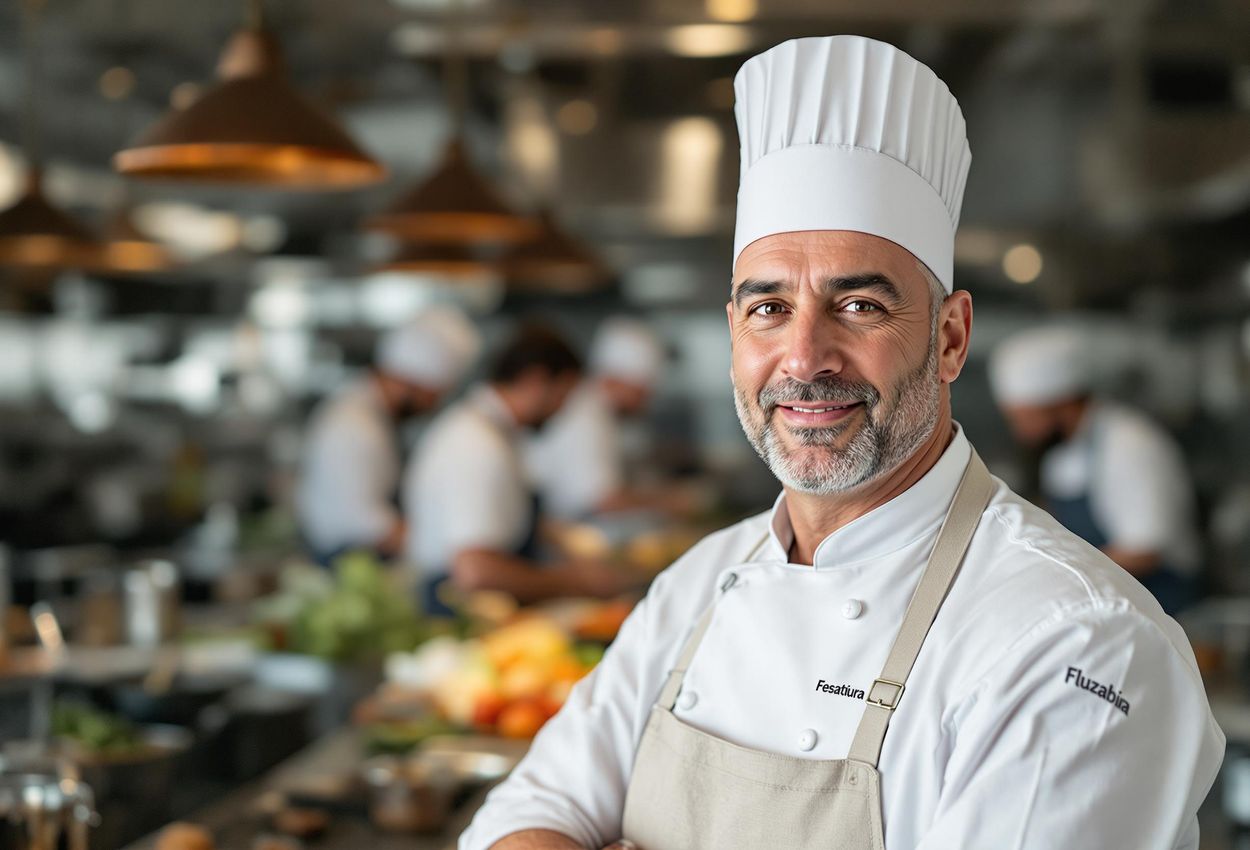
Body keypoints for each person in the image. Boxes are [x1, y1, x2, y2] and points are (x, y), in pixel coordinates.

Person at [460, 36, 1223, 850]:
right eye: (768, 309)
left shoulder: (1078, 640)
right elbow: (519, 818)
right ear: (732, 335)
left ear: (951, 338)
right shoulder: (700, 583)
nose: (803, 359)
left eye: (859, 305)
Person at [405, 323, 635, 615]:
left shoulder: (494, 434)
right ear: (536, 380)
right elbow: (475, 571)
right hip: (460, 615)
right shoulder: (475, 445)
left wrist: (563, 544)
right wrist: (574, 582)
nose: (561, 410)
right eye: (563, 395)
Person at [990, 325, 1203, 614]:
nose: (1020, 433)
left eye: (1026, 418)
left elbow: (1145, 552)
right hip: (1104, 597)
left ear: (1062, 405)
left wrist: (1053, 578)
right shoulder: (1059, 449)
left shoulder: (1128, 443)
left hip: (1159, 602)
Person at [296, 305, 480, 565]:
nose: (432, 406)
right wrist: (440, 549)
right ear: (412, 383)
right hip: (345, 564)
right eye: (433, 396)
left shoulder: (369, 413)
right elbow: (363, 521)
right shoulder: (355, 427)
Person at [526, 317, 671, 520]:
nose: (646, 401)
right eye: (641, 391)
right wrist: (673, 503)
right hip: (567, 536)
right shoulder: (587, 417)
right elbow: (604, 500)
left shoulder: (594, 408)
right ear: (618, 380)